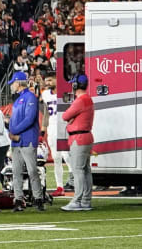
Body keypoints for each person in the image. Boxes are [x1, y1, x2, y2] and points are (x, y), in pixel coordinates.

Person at [8, 72, 45, 212]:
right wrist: (12, 132)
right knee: (16, 171)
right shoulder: (20, 99)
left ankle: (38, 198)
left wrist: (14, 131)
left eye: (13, 82)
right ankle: (19, 199)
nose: (12, 85)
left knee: (32, 170)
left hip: (27, 139)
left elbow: (29, 119)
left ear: (19, 83)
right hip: (18, 141)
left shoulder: (30, 97)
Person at [61, 74, 94, 212]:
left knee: (78, 170)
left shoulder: (80, 101)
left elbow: (65, 116)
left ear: (75, 85)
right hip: (86, 137)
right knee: (85, 170)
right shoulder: (88, 99)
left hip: (78, 138)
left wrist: (71, 121)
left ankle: (77, 200)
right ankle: (86, 199)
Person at [41, 74, 71, 196]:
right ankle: (60, 187)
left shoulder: (66, 92)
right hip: (52, 128)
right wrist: (43, 130)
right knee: (56, 158)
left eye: (50, 79)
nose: (47, 82)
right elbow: (46, 113)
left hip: (64, 126)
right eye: (46, 80)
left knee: (67, 156)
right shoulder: (45, 94)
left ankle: (75, 179)